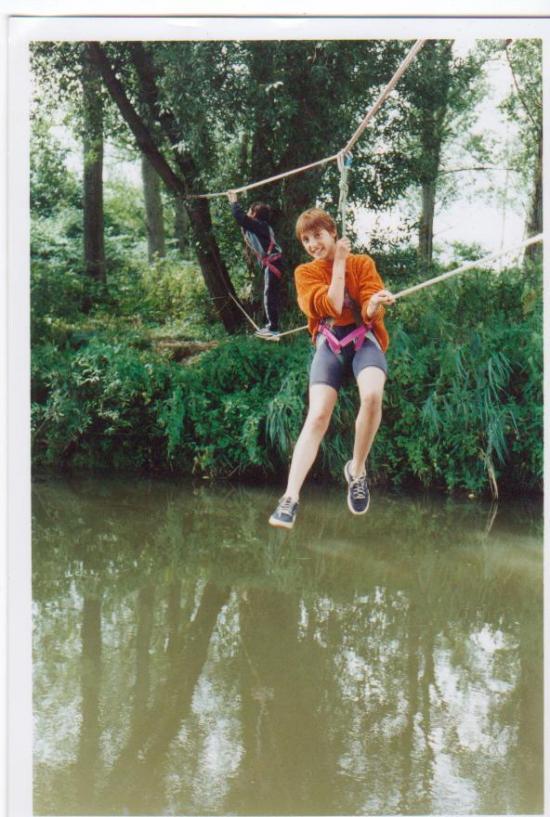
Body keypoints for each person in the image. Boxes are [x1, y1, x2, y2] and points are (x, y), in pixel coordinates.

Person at [269, 208, 395, 530]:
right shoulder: (304, 274)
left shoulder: (362, 263)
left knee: (371, 396)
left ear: (333, 232)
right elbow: (333, 306)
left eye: (318, 236)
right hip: (331, 345)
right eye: (306, 239)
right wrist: (338, 262)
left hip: (362, 339)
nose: (313, 244)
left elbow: (367, 307)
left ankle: (357, 470)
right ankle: (290, 497)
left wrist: (374, 303)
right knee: (318, 415)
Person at [227, 190, 284, 338]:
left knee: (269, 295)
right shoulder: (259, 227)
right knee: (269, 295)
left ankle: (273, 328)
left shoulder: (261, 226)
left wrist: (233, 201)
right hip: (273, 263)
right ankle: (272, 326)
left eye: (249, 212)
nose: (247, 214)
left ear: (254, 214)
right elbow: (244, 223)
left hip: (273, 263)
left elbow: (241, 218)